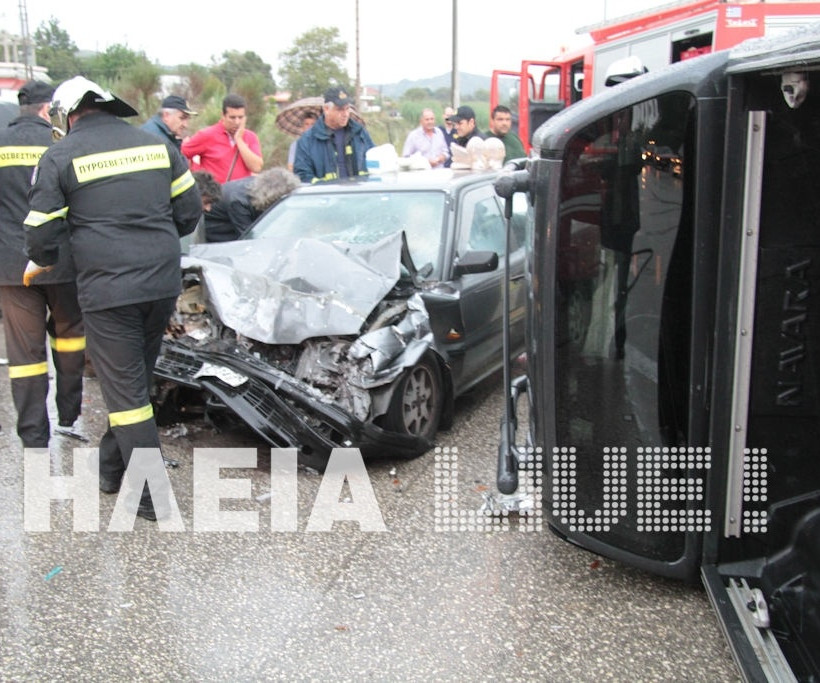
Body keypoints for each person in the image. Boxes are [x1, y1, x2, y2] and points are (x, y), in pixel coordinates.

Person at [24, 76, 202, 520]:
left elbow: (40, 234)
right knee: (134, 382)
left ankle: (150, 496)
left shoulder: (60, 155)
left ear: (68, 115)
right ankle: (109, 468)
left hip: (109, 290)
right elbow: (189, 212)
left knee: (124, 394)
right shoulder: (154, 146)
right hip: (161, 283)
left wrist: (51, 257)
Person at [0, 80, 85, 448]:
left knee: (24, 353)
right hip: (61, 262)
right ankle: (68, 413)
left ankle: (34, 434)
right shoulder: (61, 144)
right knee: (69, 336)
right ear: (47, 108)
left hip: (11, 266)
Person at [294, 86, 374, 183]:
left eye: (347, 108)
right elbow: (303, 176)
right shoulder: (307, 140)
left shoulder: (360, 134)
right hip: (325, 197)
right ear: (326, 109)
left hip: (357, 196)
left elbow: (375, 164)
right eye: (340, 109)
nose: (345, 114)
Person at [181, 93, 263, 183]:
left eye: (240, 117)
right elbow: (181, 154)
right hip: (215, 194)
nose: (237, 122)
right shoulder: (207, 135)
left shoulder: (251, 137)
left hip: (241, 194)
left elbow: (256, 167)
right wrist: (195, 169)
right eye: (232, 117)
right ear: (223, 116)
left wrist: (239, 140)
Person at [203, 167, 300, 242]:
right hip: (215, 229)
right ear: (271, 201)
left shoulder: (259, 185)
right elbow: (249, 239)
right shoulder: (238, 201)